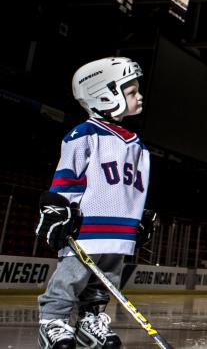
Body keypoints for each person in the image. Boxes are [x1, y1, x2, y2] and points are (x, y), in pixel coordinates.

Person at [35, 57, 157, 349]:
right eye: (131, 92)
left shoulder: (138, 145)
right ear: (105, 95)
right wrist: (59, 211)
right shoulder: (84, 135)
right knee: (71, 277)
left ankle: (91, 321)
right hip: (87, 227)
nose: (139, 96)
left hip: (119, 232)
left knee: (107, 282)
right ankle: (53, 320)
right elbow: (68, 178)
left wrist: (139, 218)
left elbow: (133, 188)